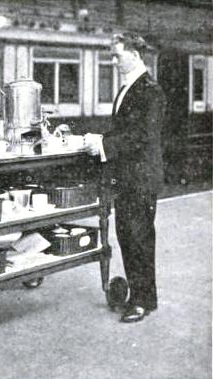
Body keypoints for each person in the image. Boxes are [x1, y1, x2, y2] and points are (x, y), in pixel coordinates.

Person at [86, 32, 166, 323]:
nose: (113, 60)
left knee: (139, 239)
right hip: (128, 178)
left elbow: (143, 136)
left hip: (142, 179)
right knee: (129, 237)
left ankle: (143, 301)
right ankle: (143, 297)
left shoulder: (150, 90)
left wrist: (104, 146)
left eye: (117, 54)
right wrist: (100, 139)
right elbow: (123, 130)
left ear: (134, 53)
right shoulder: (127, 88)